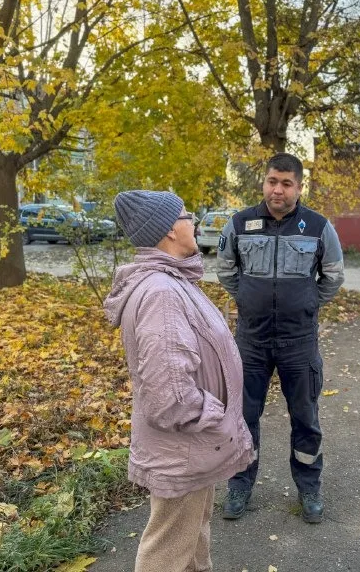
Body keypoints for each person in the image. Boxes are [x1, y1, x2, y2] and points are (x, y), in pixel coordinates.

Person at [103, 190, 254, 572]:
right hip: (185, 446)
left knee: (190, 536)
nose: (194, 223)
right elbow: (168, 394)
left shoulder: (173, 282)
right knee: (167, 551)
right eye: (188, 216)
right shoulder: (162, 293)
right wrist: (213, 415)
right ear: (170, 229)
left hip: (193, 445)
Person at [217, 152, 345, 524]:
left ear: (299, 187)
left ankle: (309, 487)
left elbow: (333, 276)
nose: (278, 190)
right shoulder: (240, 224)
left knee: (305, 417)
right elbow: (225, 270)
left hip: (299, 342)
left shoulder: (318, 227)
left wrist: (307, 303)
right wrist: (246, 298)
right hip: (251, 342)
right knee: (243, 417)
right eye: (272, 181)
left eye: (287, 184)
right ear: (264, 183)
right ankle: (239, 485)